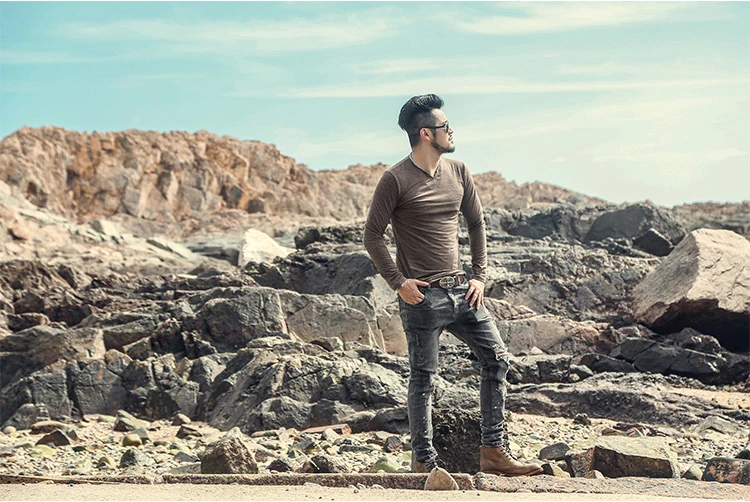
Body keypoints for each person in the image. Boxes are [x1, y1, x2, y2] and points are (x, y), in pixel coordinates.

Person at [363, 94, 543, 477]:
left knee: (497, 360)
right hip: (423, 298)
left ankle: (493, 452)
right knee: (424, 378)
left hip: (465, 291)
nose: (451, 130)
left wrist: (479, 275)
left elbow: (476, 224)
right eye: (445, 126)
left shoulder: (459, 171)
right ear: (426, 134)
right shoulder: (395, 179)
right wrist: (398, 283)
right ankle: (423, 463)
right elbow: (372, 236)